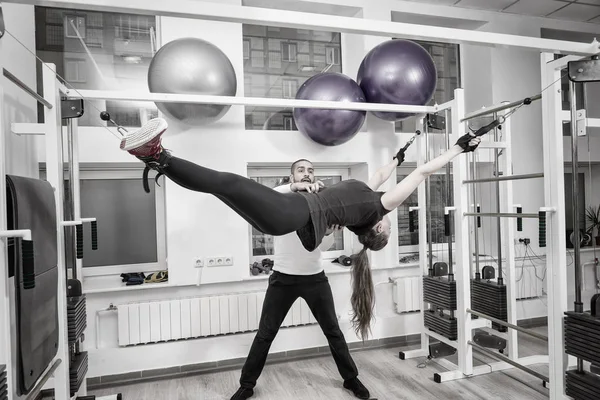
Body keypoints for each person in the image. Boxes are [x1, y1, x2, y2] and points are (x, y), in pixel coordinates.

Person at [119, 117, 482, 341]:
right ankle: (155, 159)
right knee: (222, 186)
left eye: (388, 223)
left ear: (379, 226)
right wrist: (397, 157)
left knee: (228, 182)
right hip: (284, 216)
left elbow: (420, 174)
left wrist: (456, 150)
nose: (391, 215)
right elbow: (383, 174)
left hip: (291, 214)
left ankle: (159, 155)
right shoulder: (368, 196)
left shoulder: (376, 206)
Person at [230, 159, 372, 400]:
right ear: (292, 176)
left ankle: (351, 379)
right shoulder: (282, 200)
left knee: (333, 331)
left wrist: (328, 233)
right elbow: (267, 195)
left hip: (315, 279)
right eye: (301, 170)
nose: (307, 174)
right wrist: (293, 189)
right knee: (265, 334)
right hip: (282, 280)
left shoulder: (320, 206)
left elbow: (317, 247)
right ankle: (247, 385)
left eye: (311, 171)